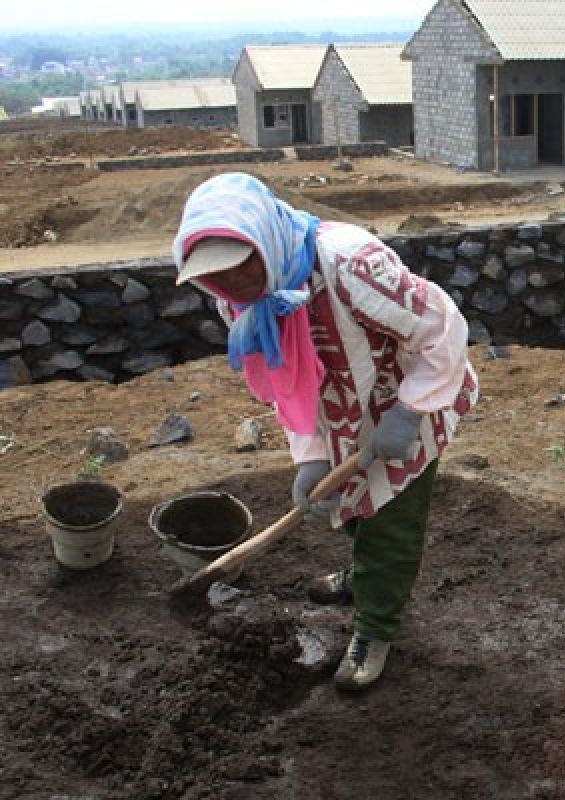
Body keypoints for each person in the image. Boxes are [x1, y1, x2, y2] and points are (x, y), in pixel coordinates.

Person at [172, 172, 479, 691]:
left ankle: (376, 628)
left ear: (263, 240)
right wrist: (310, 454)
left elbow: (441, 326)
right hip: (342, 418)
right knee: (353, 509)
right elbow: (289, 384)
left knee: (389, 523)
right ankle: (363, 577)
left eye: (242, 261)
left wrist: (408, 410)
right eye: (216, 273)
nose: (235, 281)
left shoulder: (350, 265)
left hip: (410, 401)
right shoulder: (239, 304)